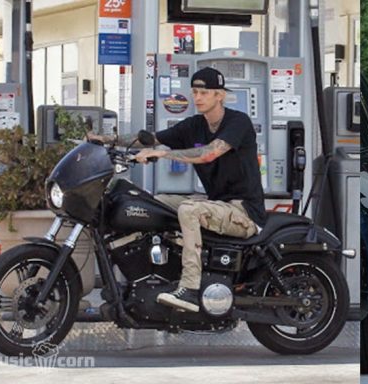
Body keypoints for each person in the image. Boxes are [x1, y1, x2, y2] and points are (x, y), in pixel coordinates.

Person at [90, 67, 267, 312]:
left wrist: (164, 154)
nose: (197, 97)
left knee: (188, 209)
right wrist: (108, 141)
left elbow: (209, 153)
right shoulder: (195, 125)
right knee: (154, 203)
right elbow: (151, 139)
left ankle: (190, 289)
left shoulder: (238, 122)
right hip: (217, 205)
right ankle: (157, 275)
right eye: (194, 91)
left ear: (220, 96)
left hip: (243, 211)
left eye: (204, 92)